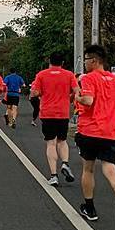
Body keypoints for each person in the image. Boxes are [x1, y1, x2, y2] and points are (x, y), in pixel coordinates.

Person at [74, 45, 115, 230]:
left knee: (88, 169)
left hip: (90, 131)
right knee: (110, 170)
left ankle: (89, 208)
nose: (85, 63)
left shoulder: (89, 79)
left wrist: (78, 96)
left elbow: (89, 101)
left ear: (94, 60)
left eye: (86, 59)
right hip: (110, 132)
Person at [31, 52, 79, 187]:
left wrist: (41, 92)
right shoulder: (69, 75)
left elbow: (34, 92)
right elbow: (77, 91)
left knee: (51, 143)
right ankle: (65, 163)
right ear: (62, 63)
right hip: (63, 113)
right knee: (62, 141)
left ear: (49, 61)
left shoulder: (41, 75)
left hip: (47, 113)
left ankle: (54, 175)